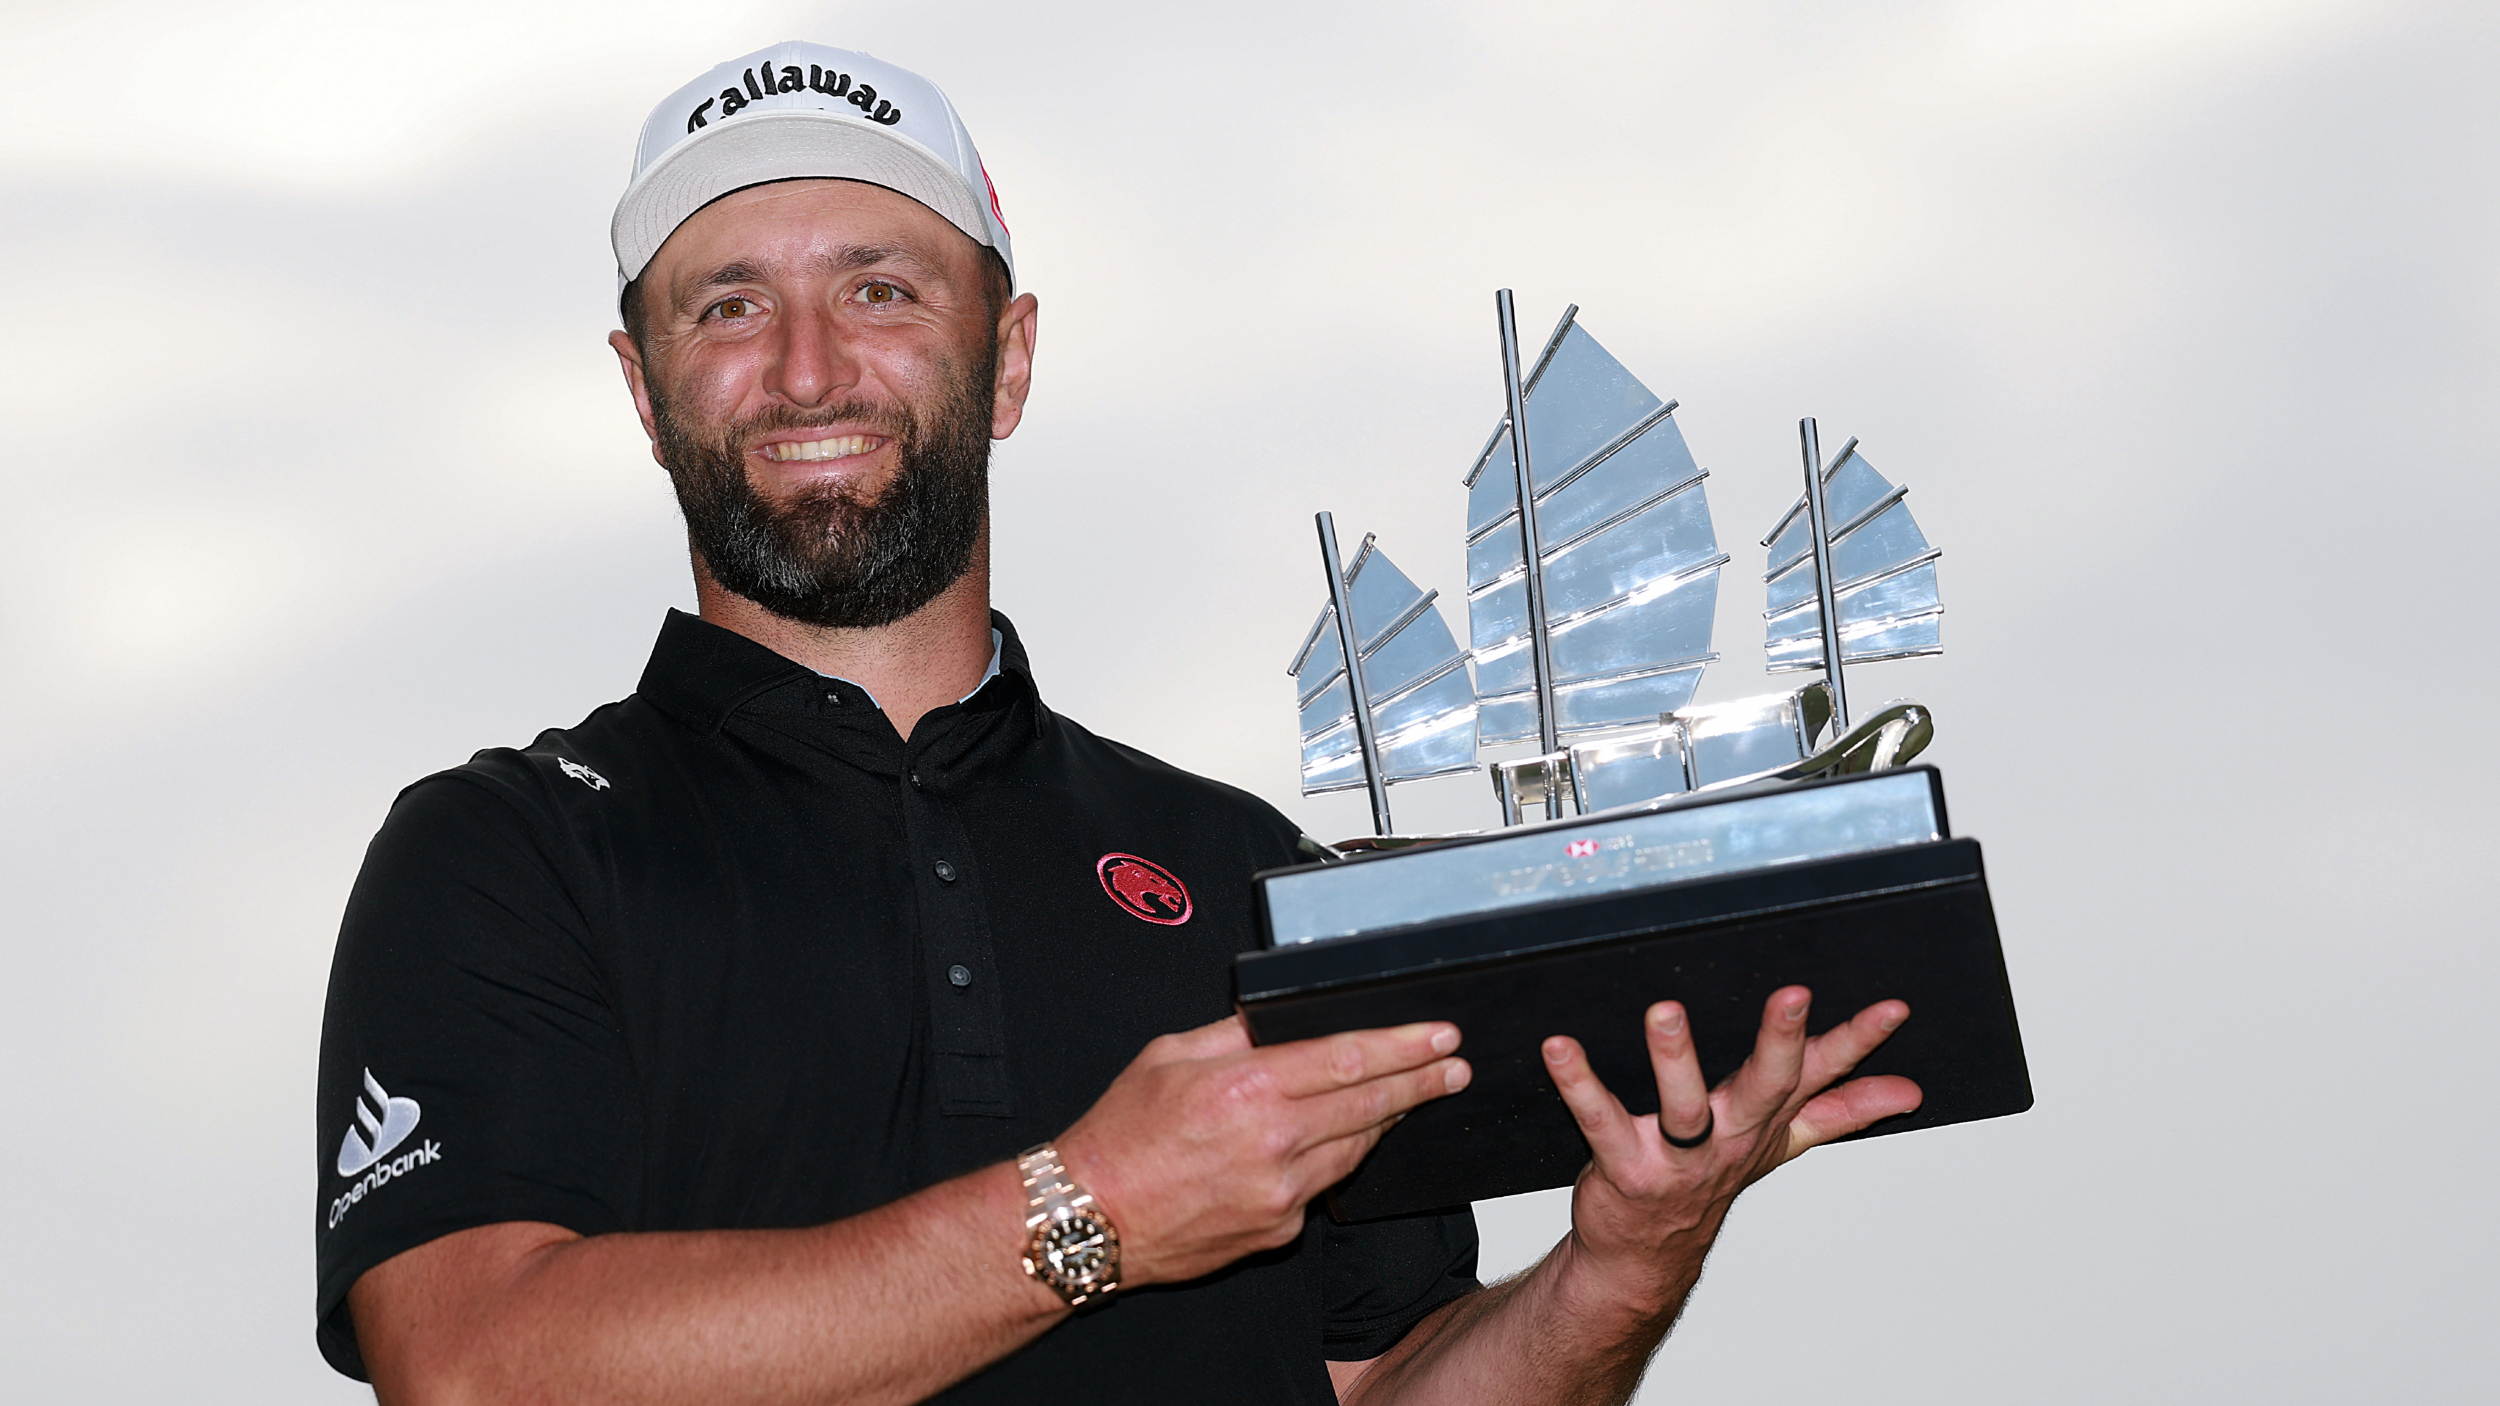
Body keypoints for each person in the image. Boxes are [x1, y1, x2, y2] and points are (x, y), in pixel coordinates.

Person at [314, 40, 1922, 1405]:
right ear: (643, 386)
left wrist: (1620, 1268)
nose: (807, 369)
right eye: (728, 309)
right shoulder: (507, 846)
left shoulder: (1243, 868)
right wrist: (1095, 1204)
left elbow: (1381, 1376)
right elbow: (469, 1361)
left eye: (880, 290)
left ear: (1008, 359)